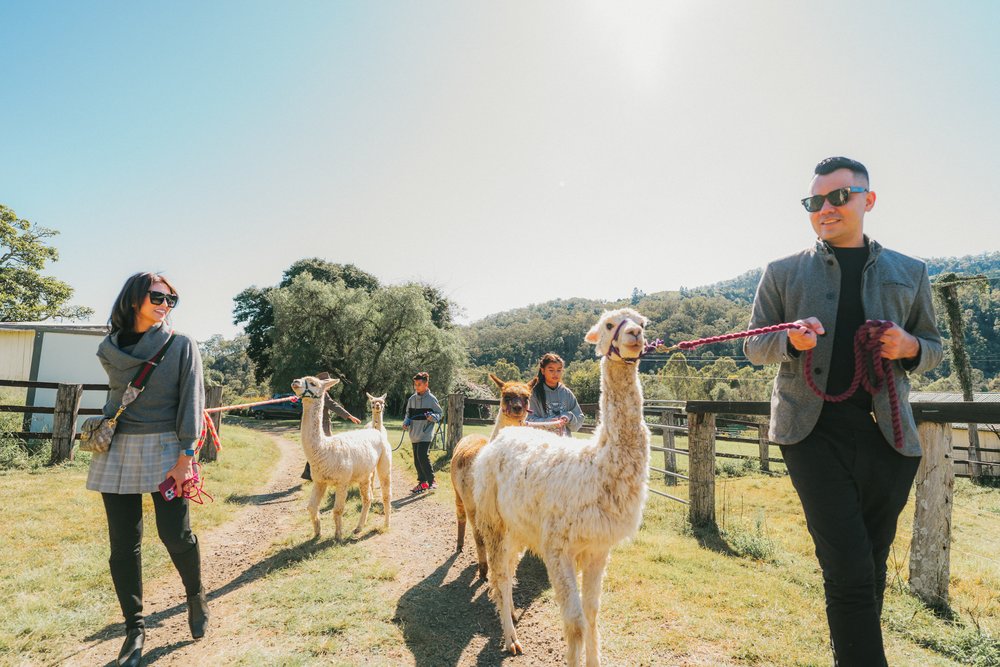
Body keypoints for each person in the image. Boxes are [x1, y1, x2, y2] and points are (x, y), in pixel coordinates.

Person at [744, 157, 942, 666]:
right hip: (809, 434)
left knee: (870, 567)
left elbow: (934, 348)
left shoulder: (911, 271)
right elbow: (754, 345)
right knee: (849, 568)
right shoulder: (782, 272)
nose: (825, 210)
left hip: (890, 438)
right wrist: (788, 340)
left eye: (838, 197)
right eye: (815, 202)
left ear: (867, 201)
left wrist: (909, 347)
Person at [86, 272, 211, 667]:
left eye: (172, 300)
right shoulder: (109, 348)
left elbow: (193, 398)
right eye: (158, 296)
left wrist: (186, 455)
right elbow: (115, 398)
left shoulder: (180, 344)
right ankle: (133, 630)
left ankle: (195, 594)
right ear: (135, 297)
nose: (165, 304)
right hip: (119, 447)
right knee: (123, 545)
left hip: (166, 447)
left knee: (175, 534)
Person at [300, 371, 362, 481]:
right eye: (328, 384)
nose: (329, 387)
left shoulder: (319, 392)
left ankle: (308, 473)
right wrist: (349, 416)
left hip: (321, 424)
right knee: (319, 449)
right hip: (320, 426)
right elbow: (334, 405)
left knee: (316, 450)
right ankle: (314, 473)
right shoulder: (322, 393)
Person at [526, 353, 584, 436]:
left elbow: (578, 421)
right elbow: (527, 420)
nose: (555, 374)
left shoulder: (567, 393)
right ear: (543, 370)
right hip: (541, 444)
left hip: (564, 445)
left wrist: (568, 417)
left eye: (559, 370)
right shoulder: (533, 394)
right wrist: (548, 422)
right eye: (551, 370)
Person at [402, 371, 442, 493]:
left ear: (426, 384)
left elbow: (440, 414)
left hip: (426, 433)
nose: (416, 387)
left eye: (419, 384)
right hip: (414, 433)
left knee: (422, 455)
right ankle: (422, 483)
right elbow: (408, 414)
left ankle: (432, 481)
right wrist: (406, 422)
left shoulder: (431, 399)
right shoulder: (412, 399)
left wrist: (433, 417)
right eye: (415, 384)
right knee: (416, 459)